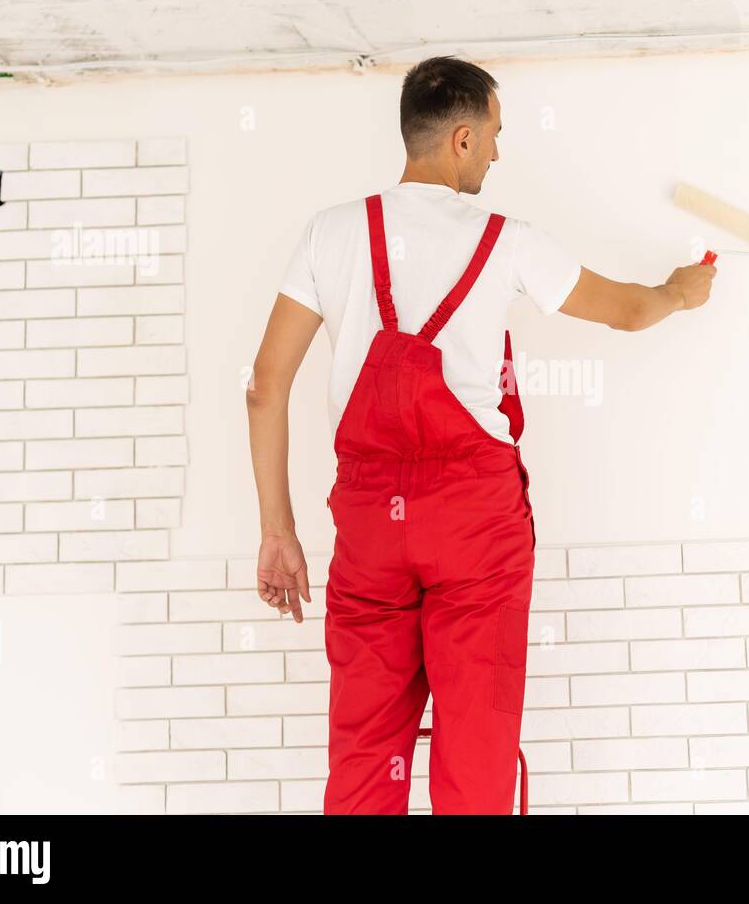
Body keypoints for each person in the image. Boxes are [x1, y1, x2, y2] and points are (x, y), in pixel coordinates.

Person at [244, 55, 716, 814]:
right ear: (461, 138)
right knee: (477, 752)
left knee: (365, 754)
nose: (498, 154)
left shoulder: (330, 234)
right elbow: (628, 312)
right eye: (494, 134)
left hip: (370, 523)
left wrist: (277, 532)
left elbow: (266, 387)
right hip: (474, 524)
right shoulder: (507, 240)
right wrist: (678, 291)